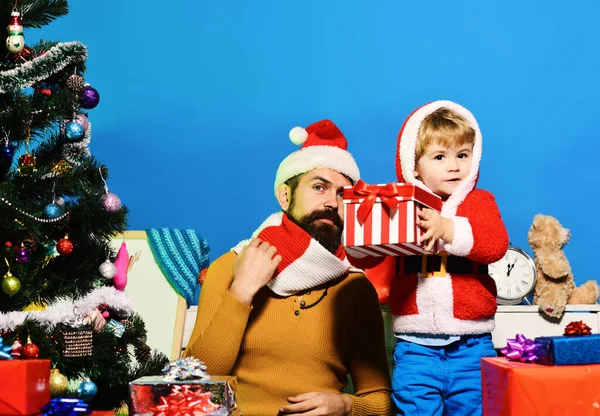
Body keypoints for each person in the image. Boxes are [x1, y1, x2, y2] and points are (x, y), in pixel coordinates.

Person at [184, 119, 392, 416]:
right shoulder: (231, 266)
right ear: (285, 196)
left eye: (343, 194)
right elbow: (195, 384)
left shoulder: (354, 288)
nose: (332, 202)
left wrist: (347, 406)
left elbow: (381, 401)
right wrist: (241, 291)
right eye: (319, 187)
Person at [349, 101, 508, 415]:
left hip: (471, 344)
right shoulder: (401, 204)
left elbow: (495, 244)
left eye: (462, 155)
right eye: (440, 157)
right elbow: (367, 260)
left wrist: (448, 229)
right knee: (416, 409)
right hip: (415, 347)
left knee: (475, 409)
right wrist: (360, 229)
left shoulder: (479, 203)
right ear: (415, 164)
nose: (454, 166)